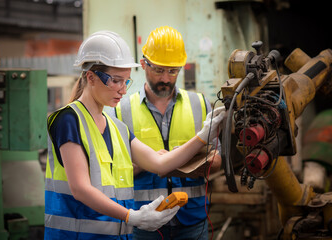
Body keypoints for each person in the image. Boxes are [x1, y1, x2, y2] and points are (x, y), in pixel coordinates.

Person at [44, 30, 225, 240]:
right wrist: (132, 216)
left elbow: (160, 163)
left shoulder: (117, 128)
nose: (123, 90)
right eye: (116, 81)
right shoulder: (68, 120)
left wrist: (203, 135)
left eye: (126, 82)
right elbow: (80, 189)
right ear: (91, 77)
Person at [112, 26, 222, 240]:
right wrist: (152, 161)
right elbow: (115, 172)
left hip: (192, 218)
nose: (166, 79)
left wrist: (185, 159)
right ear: (144, 64)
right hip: (145, 221)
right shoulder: (121, 110)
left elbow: (217, 160)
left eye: (173, 71)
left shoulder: (199, 104)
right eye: (159, 70)